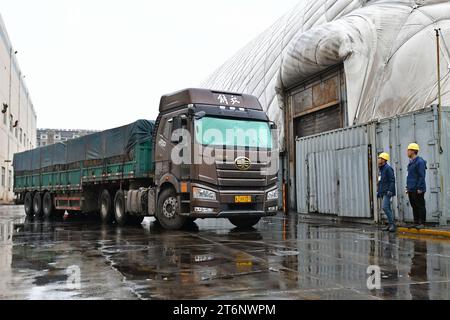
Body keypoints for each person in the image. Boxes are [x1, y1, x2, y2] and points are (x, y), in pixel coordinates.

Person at [406, 143, 427, 229]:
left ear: (413, 151)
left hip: (417, 188)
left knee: (420, 205)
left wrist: (420, 188)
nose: (407, 152)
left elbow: (422, 176)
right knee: (414, 205)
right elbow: (409, 176)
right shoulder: (411, 162)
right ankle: (416, 222)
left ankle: (422, 223)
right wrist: (407, 187)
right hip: (411, 188)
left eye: (408, 150)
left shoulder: (420, 162)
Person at [377, 153, 396, 232]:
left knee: (385, 207)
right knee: (388, 208)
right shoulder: (381, 169)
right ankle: (390, 225)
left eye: (380, 158)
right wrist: (378, 191)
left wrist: (390, 190)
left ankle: (392, 225)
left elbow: (392, 180)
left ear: (384, 160)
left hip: (388, 191)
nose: (378, 160)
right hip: (383, 191)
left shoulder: (388, 168)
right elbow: (380, 181)